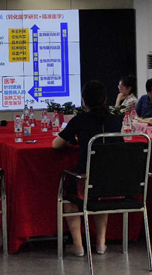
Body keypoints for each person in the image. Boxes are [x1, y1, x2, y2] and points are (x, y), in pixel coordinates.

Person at [52, 80, 123, 256]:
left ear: (84, 101)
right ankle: (101, 243)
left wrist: (74, 140)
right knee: (100, 195)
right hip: (112, 179)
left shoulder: (80, 120)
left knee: (70, 199)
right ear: (105, 99)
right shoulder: (115, 120)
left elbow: (56, 144)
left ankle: (78, 246)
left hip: (84, 178)